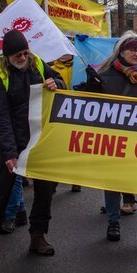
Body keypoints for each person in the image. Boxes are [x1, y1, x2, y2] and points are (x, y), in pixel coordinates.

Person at [0, 30, 64, 257]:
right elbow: (1, 117)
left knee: (45, 191)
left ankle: (38, 235)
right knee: (1, 190)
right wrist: (9, 153)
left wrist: (55, 82)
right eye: (18, 55)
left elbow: (60, 81)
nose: (23, 58)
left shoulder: (37, 64)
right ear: (7, 56)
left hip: (38, 139)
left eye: (25, 53)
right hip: (10, 141)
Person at [88, 32, 137, 244]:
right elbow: (93, 107)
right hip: (114, 141)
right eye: (132, 49)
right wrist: (90, 86)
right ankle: (113, 223)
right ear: (121, 52)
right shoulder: (105, 75)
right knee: (113, 183)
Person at [49, 53, 82, 193]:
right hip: (59, 112)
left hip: (78, 113)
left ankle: (76, 180)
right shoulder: (51, 69)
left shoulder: (80, 67)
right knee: (57, 150)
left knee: (76, 148)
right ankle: (53, 181)